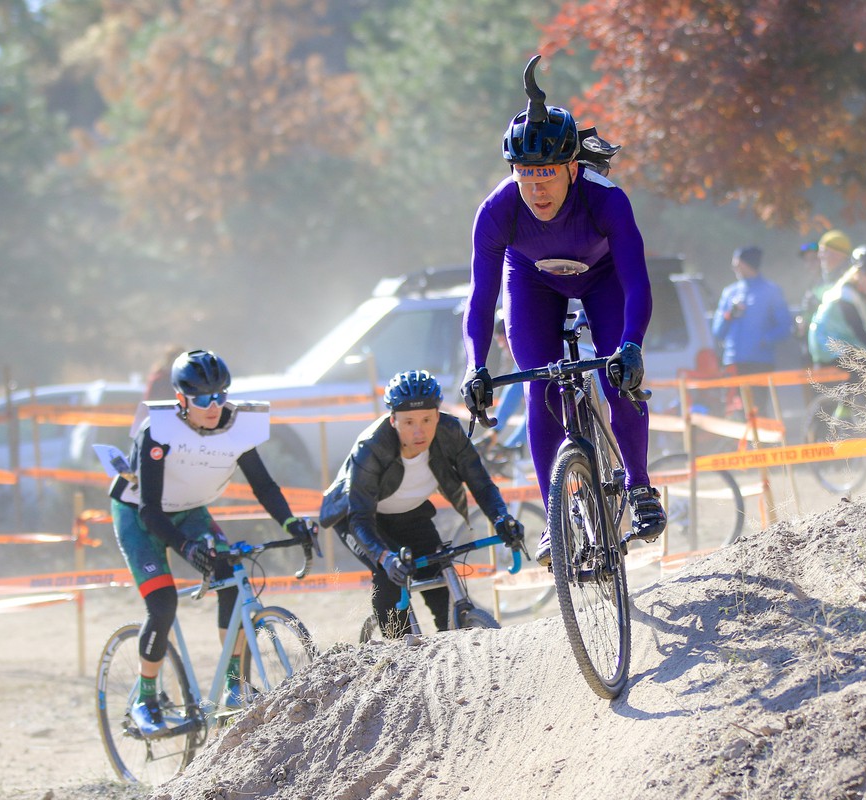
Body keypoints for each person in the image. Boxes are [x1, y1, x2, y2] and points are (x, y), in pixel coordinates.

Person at [458, 54, 666, 567]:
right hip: (533, 283)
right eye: (525, 176)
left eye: (548, 175)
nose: (537, 189)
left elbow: (637, 280)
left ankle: (638, 486)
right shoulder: (496, 212)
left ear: (574, 168)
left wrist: (632, 347)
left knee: (621, 375)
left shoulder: (607, 201)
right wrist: (475, 366)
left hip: (603, 281)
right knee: (540, 385)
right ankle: (561, 511)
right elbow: (482, 299)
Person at [107, 349, 317, 738]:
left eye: (220, 395)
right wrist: (186, 548)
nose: (213, 405)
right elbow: (150, 512)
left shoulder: (238, 426)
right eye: (202, 398)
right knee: (163, 601)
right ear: (181, 399)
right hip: (139, 513)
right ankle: (146, 699)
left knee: (232, 575)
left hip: (188, 509)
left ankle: (234, 686)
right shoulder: (157, 430)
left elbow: (264, 485)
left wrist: (292, 523)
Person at [319, 370, 524, 637]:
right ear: (393, 420)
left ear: (438, 416)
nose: (419, 431)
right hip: (360, 519)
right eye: (409, 422)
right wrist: (386, 558)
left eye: (427, 419)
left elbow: (481, 484)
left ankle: (453, 643)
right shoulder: (371, 447)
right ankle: (398, 656)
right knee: (389, 576)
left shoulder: (450, 433)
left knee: (439, 571)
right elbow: (359, 518)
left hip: (410, 515)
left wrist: (501, 519)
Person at [711, 246, 793, 417]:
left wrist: (765, 340)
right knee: (736, 410)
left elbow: (785, 327)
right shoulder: (730, 292)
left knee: (758, 409)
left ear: (747, 264)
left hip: (760, 361)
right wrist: (729, 315)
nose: (734, 268)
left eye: (737, 264)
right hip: (733, 361)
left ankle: (762, 444)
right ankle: (743, 443)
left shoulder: (771, 291)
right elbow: (717, 331)